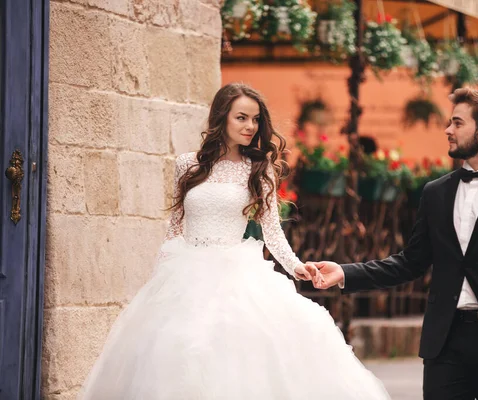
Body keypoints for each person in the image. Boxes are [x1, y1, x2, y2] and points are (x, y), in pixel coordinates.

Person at [77, 83, 390, 400]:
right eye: (241, 118)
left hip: (236, 272)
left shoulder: (259, 169)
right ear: (222, 118)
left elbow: (272, 229)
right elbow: (175, 225)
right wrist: (160, 276)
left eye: (255, 120)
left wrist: (296, 266)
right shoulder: (188, 165)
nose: (250, 126)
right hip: (184, 274)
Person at [313, 88, 478, 400]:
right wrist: (345, 272)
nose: (448, 131)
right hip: (445, 340)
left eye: (457, 123)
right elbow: (410, 262)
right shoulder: (435, 193)